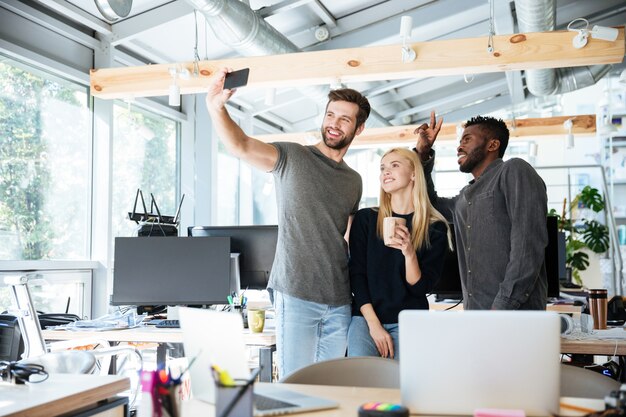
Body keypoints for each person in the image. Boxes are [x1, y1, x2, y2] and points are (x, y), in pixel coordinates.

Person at [205, 68, 371, 378]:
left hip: (338, 299)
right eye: (330, 115)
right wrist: (216, 107)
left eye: (344, 119)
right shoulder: (292, 157)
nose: (334, 124)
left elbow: (348, 240)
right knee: (296, 384)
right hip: (295, 293)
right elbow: (239, 145)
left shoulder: (354, 181)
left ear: (358, 128)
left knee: (329, 386)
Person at [414, 113, 548, 310]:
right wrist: (423, 153)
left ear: (492, 145)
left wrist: (503, 305)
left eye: (467, 139)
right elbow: (428, 204)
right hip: (476, 314)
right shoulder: (465, 196)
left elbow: (528, 245)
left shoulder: (513, 170)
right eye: (460, 141)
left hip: (514, 315)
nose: (459, 146)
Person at [347, 147, 451, 359]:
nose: (386, 172)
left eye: (395, 166)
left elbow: (422, 287)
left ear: (414, 174)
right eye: (382, 168)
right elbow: (356, 276)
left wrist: (409, 253)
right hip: (366, 320)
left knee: (402, 389)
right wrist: (374, 325)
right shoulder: (366, 219)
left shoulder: (434, 227)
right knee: (359, 387)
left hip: (409, 320)